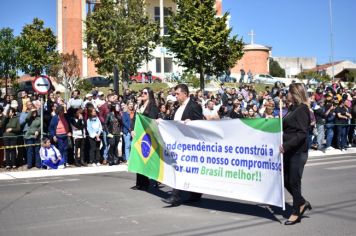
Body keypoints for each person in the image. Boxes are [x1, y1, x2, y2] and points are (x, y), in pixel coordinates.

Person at [162, 84, 204, 206]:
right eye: (175, 94)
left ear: (185, 94)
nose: (176, 96)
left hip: (189, 145)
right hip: (178, 144)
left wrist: (193, 123)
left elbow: (201, 123)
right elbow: (173, 122)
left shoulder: (194, 106)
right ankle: (195, 194)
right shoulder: (177, 107)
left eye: (177, 94)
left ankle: (176, 196)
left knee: (181, 169)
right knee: (181, 169)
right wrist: (163, 122)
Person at [280, 83, 312, 225]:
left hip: (297, 152)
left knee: (294, 181)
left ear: (294, 94)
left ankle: (296, 212)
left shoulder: (302, 109)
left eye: (288, 92)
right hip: (289, 151)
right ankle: (302, 202)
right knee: (285, 179)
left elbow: (301, 134)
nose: (286, 94)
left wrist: (286, 145)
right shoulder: (292, 108)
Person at [131, 87, 159, 190]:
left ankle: (152, 180)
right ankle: (140, 183)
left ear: (149, 95)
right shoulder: (140, 106)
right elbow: (134, 119)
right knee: (139, 158)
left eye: (145, 93)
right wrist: (132, 129)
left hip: (148, 135)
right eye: (142, 92)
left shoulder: (153, 107)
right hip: (139, 135)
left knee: (149, 158)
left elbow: (151, 119)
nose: (142, 94)